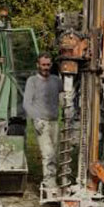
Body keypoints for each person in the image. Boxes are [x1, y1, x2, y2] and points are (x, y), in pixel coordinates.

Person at [23, 53, 62, 192]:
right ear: (37, 65)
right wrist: (36, 119)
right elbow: (27, 103)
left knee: (55, 154)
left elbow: (64, 95)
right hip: (41, 122)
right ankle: (48, 183)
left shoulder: (56, 81)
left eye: (48, 65)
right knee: (48, 153)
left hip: (54, 122)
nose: (46, 67)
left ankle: (53, 179)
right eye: (43, 65)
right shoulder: (32, 81)